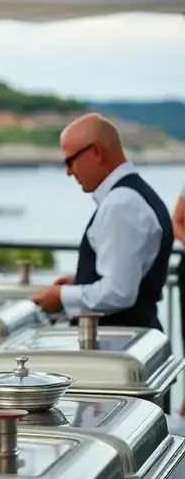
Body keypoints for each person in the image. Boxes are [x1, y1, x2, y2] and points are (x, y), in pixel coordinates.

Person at [33, 113, 173, 330]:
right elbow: (129, 273)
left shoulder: (121, 204)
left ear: (96, 151)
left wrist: (62, 297)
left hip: (119, 343)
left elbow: (118, 292)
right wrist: (81, 282)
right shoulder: (135, 196)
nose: (69, 172)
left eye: (70, 161)